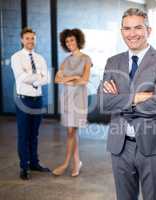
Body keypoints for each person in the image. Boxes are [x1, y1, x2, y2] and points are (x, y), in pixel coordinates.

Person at [97, 8, 156, 200]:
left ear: (148, 30)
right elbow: (103, 102)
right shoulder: (112, 62)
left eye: (138, 28)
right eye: (127, 28)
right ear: (122, 31)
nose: (132, 34)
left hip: (154, 145)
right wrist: (136, 97)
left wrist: (121, 99)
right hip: (120, 146)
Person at [11, 27, 50, 180]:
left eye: (33, 38)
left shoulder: (40, 58)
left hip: (38, 100)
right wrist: (37, 77)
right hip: (24, 100)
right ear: (22, 40)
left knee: (34, 134)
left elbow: (46, 78)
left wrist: (34, 78)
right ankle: (24, 167)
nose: (30, 41)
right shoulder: (16, 57)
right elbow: (21, 77)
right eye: (27, 38)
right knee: (24, 134)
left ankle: (34, 163)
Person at [53, 28, 92, 177]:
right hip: (67, 98)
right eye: (67, 41)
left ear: (78, 41)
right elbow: (57, 79)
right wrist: (73, 77)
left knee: (72, 131)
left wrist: (69, 79)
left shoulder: (86, 59)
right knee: (72, 131)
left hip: (79, 98)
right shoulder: (65, 61)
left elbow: (85, 80)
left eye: (72, 40)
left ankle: (65, 164)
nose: (69, 43)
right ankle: (77, 162)